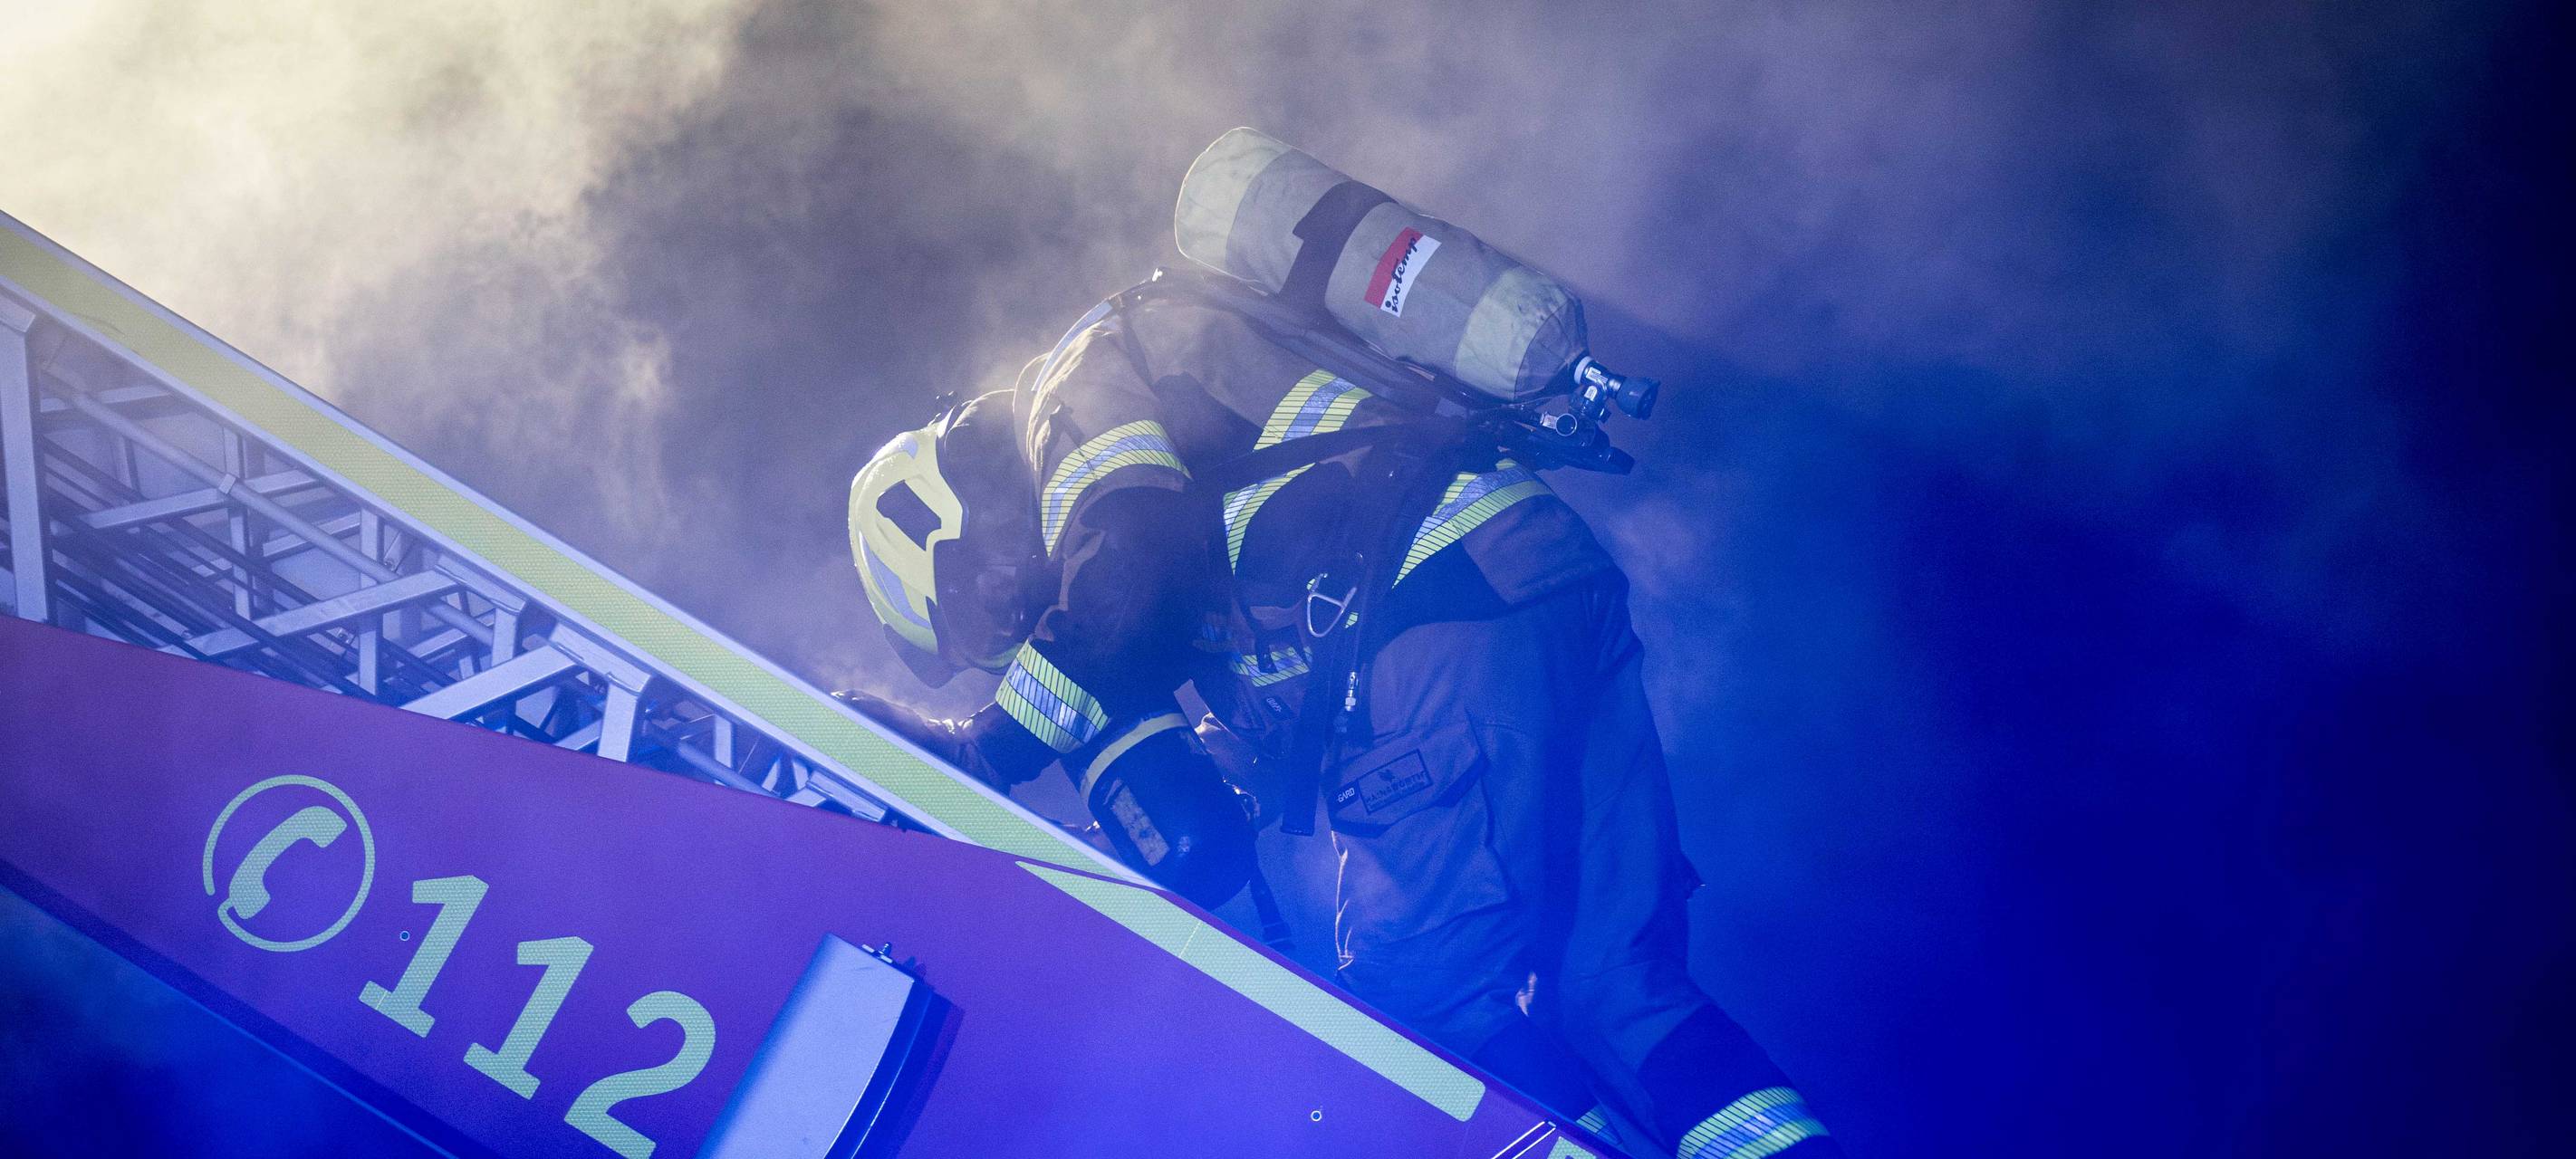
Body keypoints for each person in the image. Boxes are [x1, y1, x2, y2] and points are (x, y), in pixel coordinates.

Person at [841, 273, 1838, 1159]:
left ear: (949, 523)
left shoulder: (1066, 395)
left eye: (981, 613)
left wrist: (992, 748)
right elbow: (1243, 664)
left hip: (1428, 613)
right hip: (1534, 580)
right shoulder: (1179, 415)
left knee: (1423, 1013)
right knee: (1616, 992)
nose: (1009, 634)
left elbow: (1128, 548)